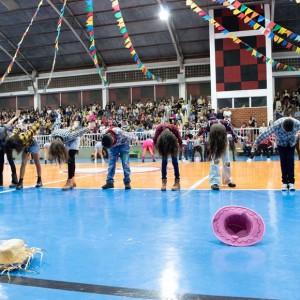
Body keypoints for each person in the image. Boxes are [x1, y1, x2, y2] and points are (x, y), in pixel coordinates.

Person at [253, 117, 300, 191]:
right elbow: (265, 133)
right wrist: (256, 143)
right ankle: (284, 182)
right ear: (282, 126)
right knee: (283, 161)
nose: (287, 133)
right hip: (281, 143)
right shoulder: (276, 125)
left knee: (290, 161)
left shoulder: (297, 123)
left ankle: (291, 182)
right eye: (285, 131)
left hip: (291, 143)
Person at [48, 119, 89, 190]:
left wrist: (88, 127)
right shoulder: (53, 134)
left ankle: (69, 181)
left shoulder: (70, 135)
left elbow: (79, 132)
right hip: (65, 139)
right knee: (68, 160)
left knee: (70, 157)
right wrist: (57, 122)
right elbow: (56, 126)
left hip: (74, 139)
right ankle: (73, 181)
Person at [198, 119, 238, 190]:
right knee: (215, 162)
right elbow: (202, 129)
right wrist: (198, 134)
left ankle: (228, 180)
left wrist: (235, 140)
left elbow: (233, 132)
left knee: (227, 162)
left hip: (224, 141)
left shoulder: (227, 124)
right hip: (214, 142)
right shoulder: (209, 124)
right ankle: (214, 182)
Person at [5, 121, 42, 190]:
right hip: (25, 146)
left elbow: (32, 130)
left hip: (33, 144)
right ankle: (20, 182)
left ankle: (39, 180)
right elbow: (15, 130)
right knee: (23, 163)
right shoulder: (12, 138)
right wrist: (17, 126)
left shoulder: (25, 137)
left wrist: (39, 122)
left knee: (36, 162)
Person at [153, 123, 182, 191]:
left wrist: (181, 146)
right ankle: (163, 182)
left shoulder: (174, 129)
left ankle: (177, 182)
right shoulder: (159, 129)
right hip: (163, 143)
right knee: (164, 162)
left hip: (173, 143)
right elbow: (154, 139)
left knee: (175, 162)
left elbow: (179, 138)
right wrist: (155, 147)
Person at [0, 110, 20, 187]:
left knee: (3, 163)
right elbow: (9, 123)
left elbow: (9, 123)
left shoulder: (2, 128)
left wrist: (15, 117)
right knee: (10, 162)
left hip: (5, 145)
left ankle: (1, 182)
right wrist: (15, 117)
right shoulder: (3, 127)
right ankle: (15, 180)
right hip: (6, 145)